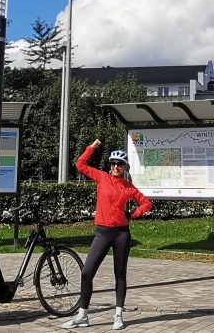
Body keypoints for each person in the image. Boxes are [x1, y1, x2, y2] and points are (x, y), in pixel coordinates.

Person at [63, 139, 152, 330]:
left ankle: (118, 315)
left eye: (119, 164)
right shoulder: (102, 177)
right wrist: (92, 147)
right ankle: (83, 315)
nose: (115, 166)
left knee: (120, 274)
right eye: (113, 163)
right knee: (87, 273)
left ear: (125, 166)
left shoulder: (128, 187)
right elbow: (80, 164)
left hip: (121, 234)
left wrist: (133, 214)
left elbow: (146, 203)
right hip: (102, 232)